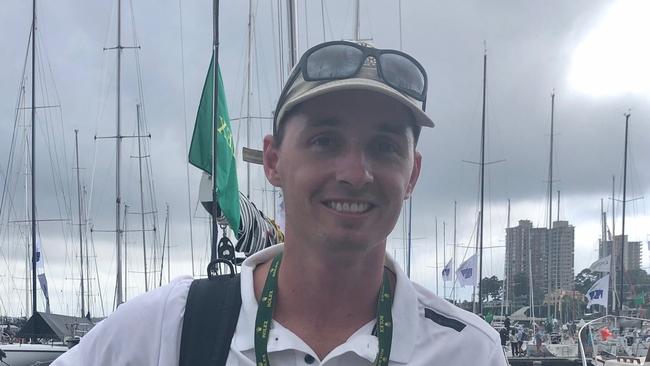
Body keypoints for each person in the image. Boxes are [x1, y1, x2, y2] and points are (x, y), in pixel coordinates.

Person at [53, 40, 507, 365]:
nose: (354, 172)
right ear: (272, 160)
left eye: (385, 147)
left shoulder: (469, 351)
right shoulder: (169, 328)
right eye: (325, 141)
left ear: (413, 174)